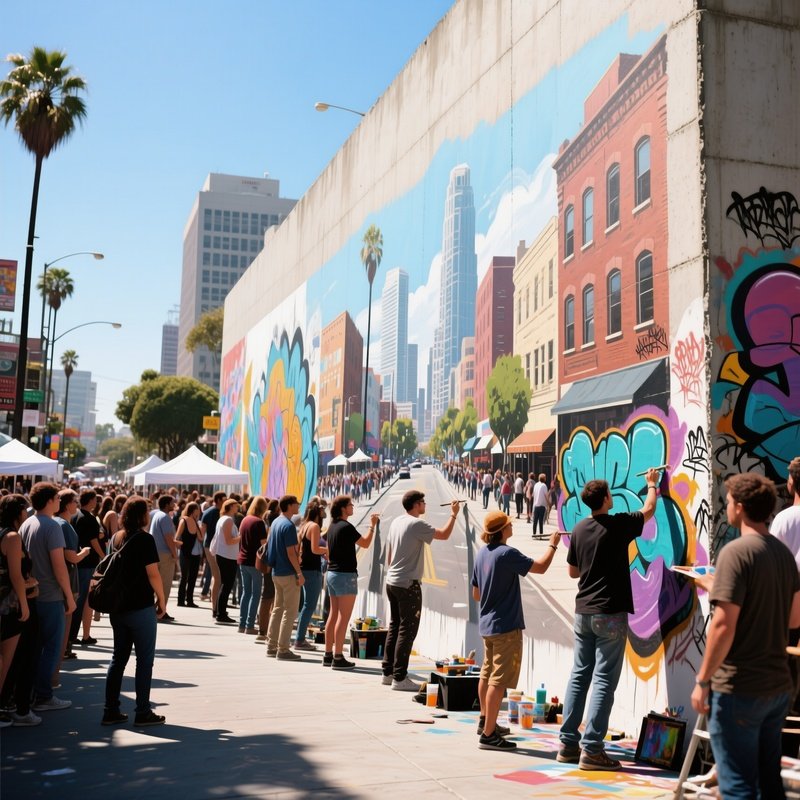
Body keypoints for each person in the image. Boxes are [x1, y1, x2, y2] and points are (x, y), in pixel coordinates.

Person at [691, 473, 800, 799]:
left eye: (728, 501)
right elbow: (794, 617)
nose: (726, 507)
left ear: (739, 507)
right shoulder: (784, 555)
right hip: (777, 686)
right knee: (768, 783)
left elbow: (723, 626)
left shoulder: (735, 553)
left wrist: (703, 679)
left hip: (740, 687)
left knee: (737, 784)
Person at [558, 467, 661, 770]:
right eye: (610, 493)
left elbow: (573, 572)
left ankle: (567, 744)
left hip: (583, 612)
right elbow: (649, 509)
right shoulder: (618, 525)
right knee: (603, 679)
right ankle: (592, 750)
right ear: (605, 498)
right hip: (610, 613)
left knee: (580, 674)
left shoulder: (579, 529)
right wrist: (652, 484)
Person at [472, 510, 561, 750]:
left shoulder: (482, 553)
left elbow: (476, 594)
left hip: (487, 624)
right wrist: (553, 545)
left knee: (487, 674)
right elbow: (540, 567)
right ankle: (489, 735)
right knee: (498, 681)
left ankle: (485, 721)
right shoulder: (507, 553)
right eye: (509, 524)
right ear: (502, 530)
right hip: (505, 626)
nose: (512, 527)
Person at [381, 491, 460, 691]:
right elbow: (443, 535)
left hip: (392, 581)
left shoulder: (397, 522)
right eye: (423, 502)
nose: (425, 505)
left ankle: (388, 673)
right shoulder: (416, 524)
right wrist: (454, 514)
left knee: (395, 627)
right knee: (407, 631)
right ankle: (400, 677)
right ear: (416, 504)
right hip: (408, 584)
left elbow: (389, 556)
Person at [102, 495, 167, 727]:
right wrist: (162, 599)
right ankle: (143, 711)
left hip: (118, 607)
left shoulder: (116, 537)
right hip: (140, 606)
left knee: (118, 659)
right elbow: (153, 574)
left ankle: (110, 710)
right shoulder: (145, 539)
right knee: (144, 660)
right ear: (142, 515)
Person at [20, 482, 76, 712]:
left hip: (32, 595)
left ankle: (33, 694)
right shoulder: (52, 526)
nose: (59, 501)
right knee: (52, 647)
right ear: (50, 500)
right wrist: (69, 596)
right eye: (57, 498)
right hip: (50, 595)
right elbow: (59, 566)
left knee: (35, 648)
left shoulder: (27, 523)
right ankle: (43, 695)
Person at [323, 495, 378, 670]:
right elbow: (365, 543)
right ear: (343, 508)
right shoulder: (346, 527)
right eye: (350, 505)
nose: (352, 507)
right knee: (343, 617)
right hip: (345, 575)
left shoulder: (332, 526)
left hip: (332, 573)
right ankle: (338, 657)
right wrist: (372, 525)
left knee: (333, 615)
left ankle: (328, 655)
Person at [0, 494, 35, 727]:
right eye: (25, 510)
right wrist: (24, 602)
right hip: (9, 605)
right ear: (19, 511)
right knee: (5, 660)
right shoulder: (12, 537)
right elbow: (15, 575)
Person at [265, 495, 305, 659]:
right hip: (288, 573)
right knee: (290, 612)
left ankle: (271, 645)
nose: (298, 506)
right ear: (289, 505)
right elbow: (291, 553)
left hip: (277, 572)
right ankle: (283, 649)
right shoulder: (288, 525)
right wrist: (299, 573)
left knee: (278, 609)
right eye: (297, 504)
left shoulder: (276, 522)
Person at [71, 489, 105, 644]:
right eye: (95, 500)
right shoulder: (90, 518)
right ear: (91, 501)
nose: (96, 503)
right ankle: (73, 636)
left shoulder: (75, 515)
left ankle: (77, 635)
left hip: (77, 561)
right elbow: (93, 541)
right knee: (84, 600)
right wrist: (104, 556)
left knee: (80, 599)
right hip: (88, 563)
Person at [294, 498, 326, 651]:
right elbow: (315, 549)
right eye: (322, 509)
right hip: (312, 570)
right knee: (309, 606)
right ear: (317, 512)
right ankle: (300, 640)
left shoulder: (305, 525)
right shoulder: (314, 526)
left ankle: (299, 638)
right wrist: (328, 550)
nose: (324, 512)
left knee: (306, 606)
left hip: (305, 568)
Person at [237, 496, 266, 634]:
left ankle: (242, 624)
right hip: (254, 562)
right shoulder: (259, 522)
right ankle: (249, 625)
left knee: (246, 592)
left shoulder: (245, 519)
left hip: (243, 560)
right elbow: (264, 544)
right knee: (256, 594)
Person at [211, 499, 241, 624]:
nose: (237, 508)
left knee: (225, 584)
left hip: (225, 555)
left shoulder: (223, 519)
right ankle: (221, 613)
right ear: (230, 507)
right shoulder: (227, 520)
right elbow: (229, 540)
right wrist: (241, 537)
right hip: (227, 556)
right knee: (227, 584)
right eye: (236, 506)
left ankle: (219, 611)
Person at [149, 495, 177, 621]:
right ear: (166, 504)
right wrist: (175, 554)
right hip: (165, 555)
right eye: (172, 503)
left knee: (155, 584)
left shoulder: (157, 515)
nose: (174, 504)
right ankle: (161, 611)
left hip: (156, 553)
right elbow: (168, 537)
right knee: (165, 584)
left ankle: (155, 609)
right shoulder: (165, 517)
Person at [200, 491, 226, 611]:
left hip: (208, 546)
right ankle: (215, 607)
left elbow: (202, 532)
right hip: (216, 547)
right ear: (219, 500)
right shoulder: (218, 513)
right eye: (224, 499)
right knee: (217, 577)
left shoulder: (207, 512)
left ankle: (215, 604)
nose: (226, 501)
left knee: (215, 576)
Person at [174, 502, 202, 608]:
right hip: (185, 552)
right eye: (197, 509)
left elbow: (200, 538)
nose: (199, 511)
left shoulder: (195, 521)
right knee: (184, 576)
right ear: (193, 510)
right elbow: (177, 537)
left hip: (194, 553)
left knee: (192, 577)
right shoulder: (184, 520)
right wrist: (179, 546)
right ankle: (181, 600)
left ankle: (189, 600)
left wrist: (197, 523)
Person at [532, 474, 548, 538]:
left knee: (535, 521)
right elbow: (546, 495)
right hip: (542, 505)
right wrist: (548, 503)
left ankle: (534, 534)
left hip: (536, 505)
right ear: (544, 479)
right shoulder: (544, 486)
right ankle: (541, 534)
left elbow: (533, 494)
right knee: (541, 521)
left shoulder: (536, 485)